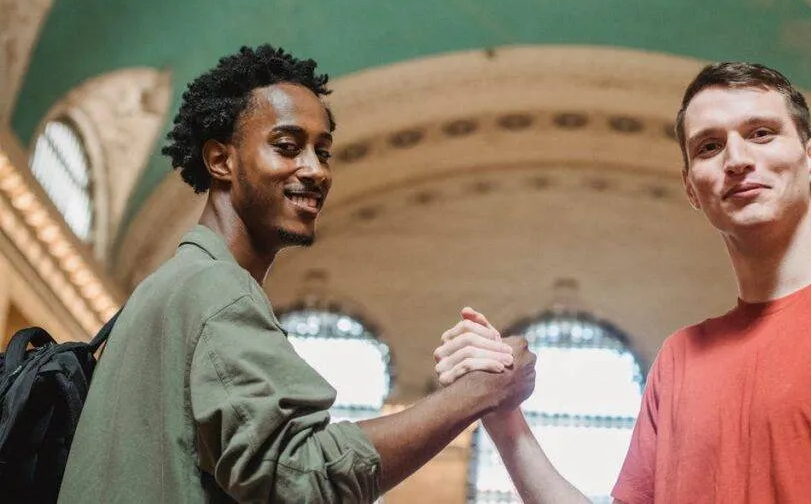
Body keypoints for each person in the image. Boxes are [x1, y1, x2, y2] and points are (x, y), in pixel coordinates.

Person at [434, 62, 811, 503]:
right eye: (709, 146)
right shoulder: (680, 359)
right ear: (691, 186)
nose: (736, 159)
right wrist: (504, 420)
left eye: (761, 133)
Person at [58, 45, 536, 503]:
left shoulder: (166, 288)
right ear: (220, 160)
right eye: (287, 147)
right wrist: (476, 394)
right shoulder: (215, 289)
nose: (316, 171)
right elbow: (300, 479)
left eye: (323, 152)